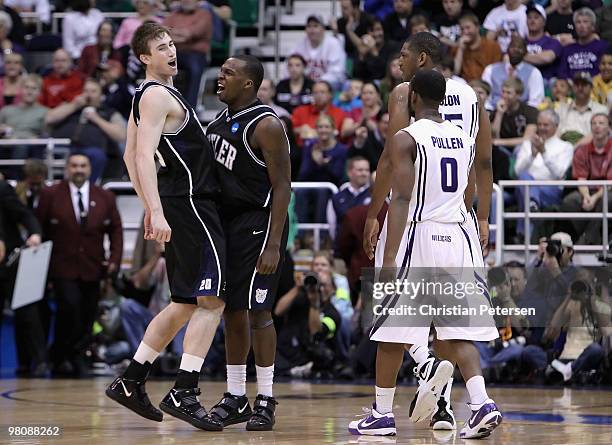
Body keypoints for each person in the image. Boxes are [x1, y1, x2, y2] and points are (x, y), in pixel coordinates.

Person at [349, 69, 501, 439]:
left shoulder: (407, 138)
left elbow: (400, 198)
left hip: (420, 235)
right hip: (457, 234)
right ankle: (481, 404)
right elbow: (471, 187)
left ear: (413, 97)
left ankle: (383, 414)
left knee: (391, 332)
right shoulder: (463, 138)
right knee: (455, 331)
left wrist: (387, 261)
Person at [105, 22, 226, 431]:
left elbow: (126, 157)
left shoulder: (149, 95)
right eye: (162, 47)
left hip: (178, 205)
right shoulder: (156, 95)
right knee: (213, 301)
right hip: (191, 205)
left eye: (172, 44)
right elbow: (141, 157)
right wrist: (155, 211)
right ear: (144, 58)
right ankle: (185, 391)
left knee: (184, 302)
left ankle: (132, 379)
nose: (171, 51)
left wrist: (151, 206)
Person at [205, 55, 291, 431]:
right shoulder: (216, 123)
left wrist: (273, 243)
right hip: (229, 226)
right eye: (221, 71)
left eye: (229, 73)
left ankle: (267, 397)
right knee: (232, 310)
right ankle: (236, 395)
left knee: (259, 312)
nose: (220, 77)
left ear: (249, 84)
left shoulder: (267, 124)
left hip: (261, 224)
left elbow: (283, 186)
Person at [37, 154, 123, 375]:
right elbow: (40, 227)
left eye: (83, 166)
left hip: (93, 267)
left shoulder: (104, 196)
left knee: (87, 314)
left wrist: (114, 260)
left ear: (90, 169)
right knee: (69, 308)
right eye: (74, 165)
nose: (78, 170)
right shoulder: (51, 194)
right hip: (61, 266)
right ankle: (62, 355)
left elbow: (116, 231)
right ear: (67, 168)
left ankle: (76, 356)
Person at [45, 78, 127, 183]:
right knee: (46, 149)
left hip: (92, 149)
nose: (89, 94)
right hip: (65, 147)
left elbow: (121, 135)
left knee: (97, 156)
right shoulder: (72, 106)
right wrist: (73, 105)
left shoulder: (109, 112)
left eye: (93, 91)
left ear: (101, 95)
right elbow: (49, 118)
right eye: (86, 91)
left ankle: (89, 188)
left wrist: (97, 119)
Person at [0, 179, 43, 376]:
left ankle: (36, 362)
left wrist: (35, 233)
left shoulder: (2, 188)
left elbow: (24, 214)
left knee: (27, 312)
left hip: (10, 261)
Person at [513, 109, 573, 237]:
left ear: (556, 126)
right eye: (539, 124)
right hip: (526, 186)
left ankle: (523, 234)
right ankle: (533, 203)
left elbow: (559, 174)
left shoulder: (566, 146)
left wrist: (544, 152)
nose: (541, 128)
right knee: (524, 177)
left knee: (526, 191)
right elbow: (517, 171)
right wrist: (532, 155)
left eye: (545, 125)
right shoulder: (528, 144)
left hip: (551, 189)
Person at [560, 113, 612, 244]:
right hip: (588, 190)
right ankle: (591, 237)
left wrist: (594, 198)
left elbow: (610, 182)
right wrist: (587, 196)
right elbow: (581, 178)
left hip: (608, 190)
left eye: (601, 123)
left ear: (609, 128)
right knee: (570, 201)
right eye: (594, 124)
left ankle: (587, 240)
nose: (597, 127)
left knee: (606, 201)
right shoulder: (582, 150)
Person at [163, 0, 213, 108]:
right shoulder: (174, 14)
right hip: (174, 52)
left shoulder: (204, 14)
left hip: (195, 54)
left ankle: (190, 109)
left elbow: (192, 33)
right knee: (156, 64)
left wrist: (174, 34)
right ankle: (163, 105)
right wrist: (182, 35)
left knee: (194, 69)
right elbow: (163, 32)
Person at [482, 35, 545, 110]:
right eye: (512, 47)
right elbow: (485, 98)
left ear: (525, 52)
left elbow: (535, 102)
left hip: (522, 115)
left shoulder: (534, 73)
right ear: (507, 50)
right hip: (493, 111)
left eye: (520, 48)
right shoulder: (490, 69)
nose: (516, 50)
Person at [291, 15, 347, 90]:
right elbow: (290, 66)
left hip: (331, 85)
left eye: (315, 26)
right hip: (307, 86)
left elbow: (337, 74)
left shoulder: (333, 44)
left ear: (323, 29)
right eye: (309, 26)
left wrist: (318, 83)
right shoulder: (299, 46)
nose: (312, 30)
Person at [558, 7, 608, 80]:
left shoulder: (603, 47)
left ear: (593, 26)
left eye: (585, 22)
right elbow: (562, 73)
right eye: (578, 22)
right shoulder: (567, 49)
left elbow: (605, 71)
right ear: (575, 26)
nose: (581, 26)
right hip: (571, 87)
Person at [556, 72, 607, 142]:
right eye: (577, 84)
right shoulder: (561, 109)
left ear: (591, 87)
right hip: (563, 148)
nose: (580, 88)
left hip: (590, 149)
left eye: (584, 84)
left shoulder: (601, 110)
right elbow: (556, 134)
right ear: (573, 87)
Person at [451, 12, 502, 82]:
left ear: (477, 27)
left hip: (486, 86)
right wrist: (460, 49)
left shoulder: (493, 46)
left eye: (468, 28)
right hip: (465, 87)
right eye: (462, 29)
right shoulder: (457, 48)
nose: (465, 32)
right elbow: (455, 72)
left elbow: (496, 73)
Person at [524, 3, 562, 87]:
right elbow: (508, 58)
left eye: (536, 17)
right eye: (529, 17)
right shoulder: (520, 41)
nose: (532, 20)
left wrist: (521, 57)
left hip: (545, 82)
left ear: (544, 22)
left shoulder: (553, 42)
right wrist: (537, 57)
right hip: (523, 82)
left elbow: (547, 58)